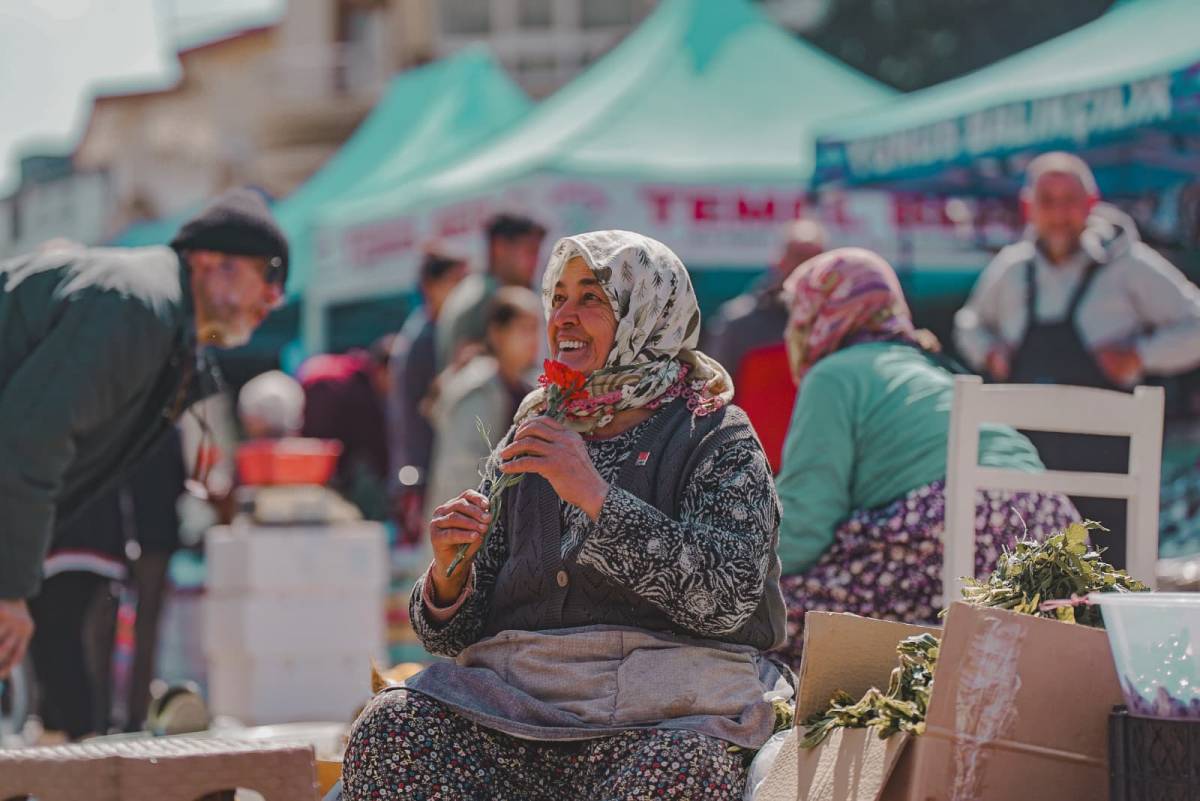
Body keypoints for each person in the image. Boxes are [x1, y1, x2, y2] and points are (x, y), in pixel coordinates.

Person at [342, 231, 789, 801]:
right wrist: (451, 576)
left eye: (592, 298)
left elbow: (727, 598)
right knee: (391, 728)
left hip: (666, 715)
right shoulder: (537, 424)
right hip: (519, 710)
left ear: (645, 313)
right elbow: (454, 633)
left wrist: (593, 493)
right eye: (559, 298)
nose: (565, 318)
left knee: (682, 770)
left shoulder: (713, 433)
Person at [0, 188, 288, 680]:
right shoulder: (136, 306)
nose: (272, 299)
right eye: (267, 276)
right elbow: (30, 441)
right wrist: (9, 589)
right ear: (208, 260)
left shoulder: (155, 314)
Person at [773, 248, 1080, 668]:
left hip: (963, 531)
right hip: (1055, 536)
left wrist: (740, 575)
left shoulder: (833, 375)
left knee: (767, 613)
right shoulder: (932, 367)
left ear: (821, 311)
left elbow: (805, 524)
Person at [954, 151, 1200, 565]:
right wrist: (988, 350)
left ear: (1091, 203)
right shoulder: (1011, 269)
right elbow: (969, 322)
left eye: (1070, 200)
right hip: (1025, 464)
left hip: (1106, 469)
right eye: (1047, 201)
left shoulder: (1128, 265)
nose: (1059, 214)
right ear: (1028, 207)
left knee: (1107, 579)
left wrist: (1141, 355)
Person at [704, 220, 825, 472]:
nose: (808, 267)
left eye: (817, 259)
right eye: (799, 257)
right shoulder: (739, 323)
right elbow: (711, 400)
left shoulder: (839, 324)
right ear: (778, 260)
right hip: (751, 472)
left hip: (819, 472)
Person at [424, 286, 542, 523]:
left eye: (536, 329)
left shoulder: (525, 386)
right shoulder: (476, 390)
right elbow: (464, 476)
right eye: (523, 329)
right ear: (497, 333)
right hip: (468, 530)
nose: (533, 340)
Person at [387, 248, 469, 544]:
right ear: (431, 285)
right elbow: (423, 412)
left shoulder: (428, 330)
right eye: (457, 281)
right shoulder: (426, 338)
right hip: (423, 475)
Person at [434, 213, 546, 371]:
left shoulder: (483, 291)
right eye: (529, 251)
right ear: (499, 247)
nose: (535, 261)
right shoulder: (481, 299)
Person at [298, 337, 394, 520]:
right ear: (382, 370)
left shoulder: (351, 371)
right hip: (321, 466)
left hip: (305, 455)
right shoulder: (362, 395)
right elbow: (377, 449)